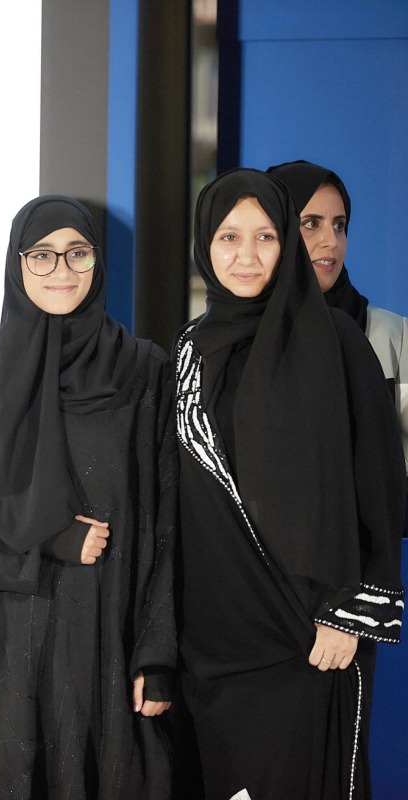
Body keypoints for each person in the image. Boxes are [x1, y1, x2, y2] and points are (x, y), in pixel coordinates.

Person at [0, 196, 177, 799]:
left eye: (77, 253)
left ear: (97, 262)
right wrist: (49, 541)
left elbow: (169, 522)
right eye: (42, 255)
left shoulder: (145, 371)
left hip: (112, 634)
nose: (61, 269)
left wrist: (157, 653)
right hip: (6, 642)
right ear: (17, 264)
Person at [174, 169, 404, 800]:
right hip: (214, 642)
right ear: (205, 244)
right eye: (228, 237)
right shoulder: (190, 349)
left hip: (309, 635)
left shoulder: (337, 342)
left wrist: (349, 612)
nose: (246, 256)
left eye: (267, 237)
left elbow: (378, 488)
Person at [267, 160, 408, 478]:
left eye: (340, 224)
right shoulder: (240, 338)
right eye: (311, 223)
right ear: (273, 231)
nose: (332, 240)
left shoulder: (393, 337)